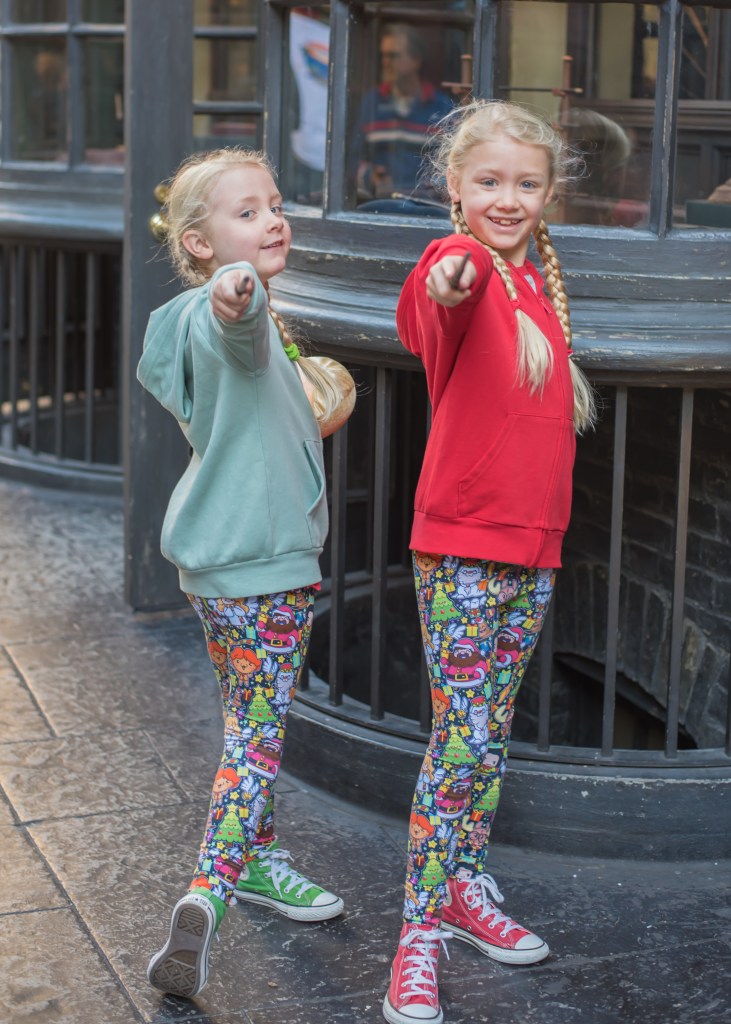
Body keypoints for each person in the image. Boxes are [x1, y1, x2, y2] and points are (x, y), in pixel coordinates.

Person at [383, 100, 595, 1024]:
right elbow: (436, 299)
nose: (507, 198)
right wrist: (452, 276)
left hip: (530, 547)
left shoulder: (535, 281)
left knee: (488, 732)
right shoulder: (456, 260)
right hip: (463, 545)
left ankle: (463, 888)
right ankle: (416, 937)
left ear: (547, 195)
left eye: (526, 183)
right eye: (488, 181)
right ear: (454, 186)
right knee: (461, 738)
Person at [138, 147, 344, 1001]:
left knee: (243, 719)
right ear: (199, 243)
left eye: (276, 204)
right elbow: (239, 317)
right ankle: (208, 893)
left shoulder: (183, 318)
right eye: (247, 211)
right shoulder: (233, 304)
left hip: (213, 563)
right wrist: (239, 291)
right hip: (264, 567)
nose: (273, 220)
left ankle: (257, 862)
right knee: (255, 742)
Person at [355, 22, 453, 201]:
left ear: (416, 60)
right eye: (383, 56)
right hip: (377, 205)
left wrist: (428, 188)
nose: (385, 63)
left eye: (393, 56)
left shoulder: (442, 108)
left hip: (426, 207)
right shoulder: (372, 103)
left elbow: (453, 167)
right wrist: (371, 177)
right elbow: (353, 159)